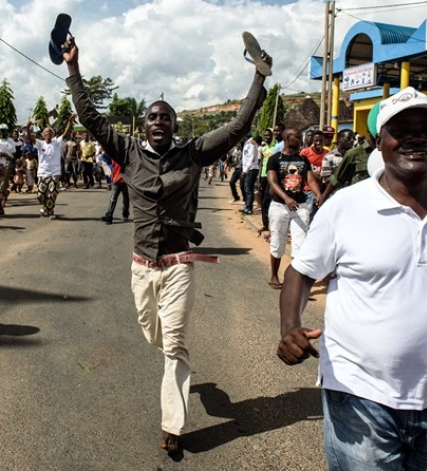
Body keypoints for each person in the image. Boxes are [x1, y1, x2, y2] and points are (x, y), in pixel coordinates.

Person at [62, 33, 271, 453]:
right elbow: (91, 118)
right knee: (153, 333)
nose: (159, 122)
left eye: (166, 118)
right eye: (152, 117)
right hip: (142, 267)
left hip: (178, 265)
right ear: (144, 125)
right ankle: (180, 368)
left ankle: (172, 428)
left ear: (174, 125)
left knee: (173, 343)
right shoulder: (127, 152)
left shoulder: (193, 153)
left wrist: (258, 78)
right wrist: (73, 68)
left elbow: (237, 127)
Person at [277, 87, 427, 469]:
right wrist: (290, 325)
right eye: (402, 130)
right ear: (379, 141)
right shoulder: (346, 207)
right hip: (356, 391)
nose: (416, 138)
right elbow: (301, 272)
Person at [266, 128, 321, 289]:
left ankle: (295, 282)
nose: (300, 140)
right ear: (288, 138)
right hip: (279, 206)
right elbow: (272, 182)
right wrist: (286, 198)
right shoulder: (274, 159)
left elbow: (310, 180)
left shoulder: (303, 159)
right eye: (297, 137)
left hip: (300, 206)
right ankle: (274, 275)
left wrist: (318, 193)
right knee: (278, 242)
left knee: (300, 245)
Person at [27, 116, 76, 219]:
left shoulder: (56, 142)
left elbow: (65, 132)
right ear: (43, 134)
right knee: (40, 196)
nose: (48, 132)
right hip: (42, 173)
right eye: (46, 131)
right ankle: (46, 207)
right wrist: (28, 128)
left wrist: (69, 122)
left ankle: (51, 211)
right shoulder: (40, 144)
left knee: (52, 194)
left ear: (53, 134)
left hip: (55, 172)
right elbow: (30, 137)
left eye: (50, 131)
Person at [101, 158, 130, 224]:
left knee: (126, 200)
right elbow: (114, 168)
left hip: (124, 182)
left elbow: (126, 171)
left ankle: (125, 214)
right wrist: (112, 176)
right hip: (116, 181)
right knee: (113, 199)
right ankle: (109, 216)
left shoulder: (124, 159)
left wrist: (117, 179)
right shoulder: (114, 158)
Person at [240, 132, 261, 214]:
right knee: (246, 188)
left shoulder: (252, 143)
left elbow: (251, 158)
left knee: (249, 189)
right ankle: (247, 206)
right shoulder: (246, 143)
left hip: (251, 169)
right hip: (248, 169)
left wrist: (245, 171)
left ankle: (249, 208)